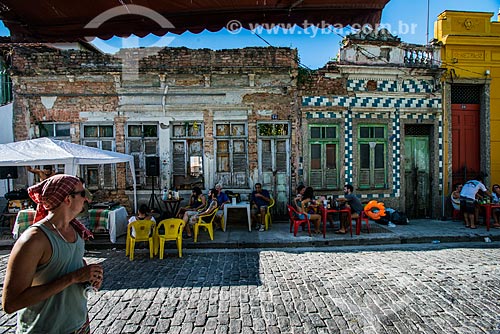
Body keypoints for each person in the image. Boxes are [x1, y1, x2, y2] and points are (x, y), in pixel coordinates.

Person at [2, 174, 103, 333]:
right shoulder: (34, 240)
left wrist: (88, 277)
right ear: (67, 199)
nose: (87, 200)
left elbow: (67, 265)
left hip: (79, 326)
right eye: (83, 194)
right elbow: (11, 303)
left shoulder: (75, 231)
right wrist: (73, 277)